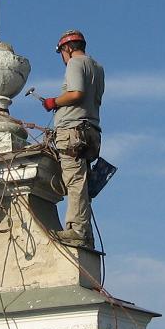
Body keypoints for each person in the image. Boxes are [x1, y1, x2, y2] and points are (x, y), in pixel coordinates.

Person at [42, 29, 104, 248]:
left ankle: (76, 230)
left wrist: (54, 102)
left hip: (73, 132)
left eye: (62, 52)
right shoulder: (97, 67)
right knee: (82, 182)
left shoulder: (75, 64)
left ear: (67, 48)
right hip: (90, 131)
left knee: (74, 181)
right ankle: (85, 233)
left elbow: (76, 93)